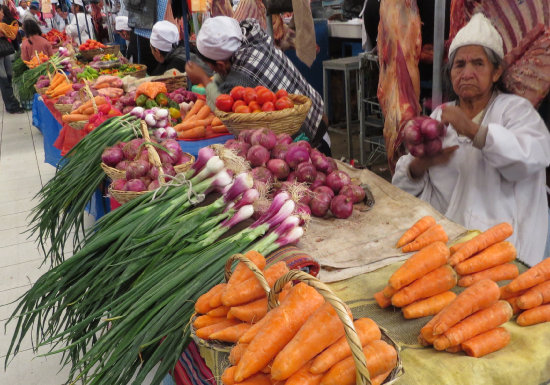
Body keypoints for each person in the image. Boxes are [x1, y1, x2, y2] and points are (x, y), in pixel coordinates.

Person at [392, 13, 550, 266]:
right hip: (448, 245)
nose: (467, 73)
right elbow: (403, 188)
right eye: (459, 65)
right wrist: (421, 164)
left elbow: (528, 159)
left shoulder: (516, 112)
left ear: (496, 72)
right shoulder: (439, 117)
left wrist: (475, 132)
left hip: (506, 248)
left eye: (478, 64)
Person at [185, 16, 329, 151]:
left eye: (212, 67)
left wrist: (203, 79)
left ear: (221, 65)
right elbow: (227, 71)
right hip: (319, 116)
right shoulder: (254, 39)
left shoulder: (239, 80)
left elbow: (223, 108)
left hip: (306, 141)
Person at [0, 5, 23, 113]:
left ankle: (11, 102)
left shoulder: (3, 25)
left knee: (9, 76)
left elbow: (12, 35)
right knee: (3, 79)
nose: (3, 14)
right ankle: (12, 106)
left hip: (4, 52)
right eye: (1, 12)